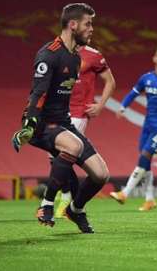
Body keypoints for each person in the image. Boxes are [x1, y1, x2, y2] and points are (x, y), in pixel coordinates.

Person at [11, 3, 110, 233]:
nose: (92, 29)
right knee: (73, 145)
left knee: (101, 174)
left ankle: (75, 210)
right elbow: (38, 92)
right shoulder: (49, 54)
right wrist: (30, 122)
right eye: (88, 23)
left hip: (63, 123)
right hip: (42, 124)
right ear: (72, 25)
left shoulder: (75, 58)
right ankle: (46, 204)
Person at [110, 47, 157, 211]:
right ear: (153, 58)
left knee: (145, 155)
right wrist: (123, 107)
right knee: (146, 160)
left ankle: (125, 193)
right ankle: (149, 199)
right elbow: (133, 93)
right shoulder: (146, 78)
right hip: (148, 124)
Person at [54, 42, 115, 218]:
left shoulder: (94, 55)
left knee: (64, 154)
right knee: (54, 156)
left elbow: (110, 81)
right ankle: (70, 200)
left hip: (78, 113)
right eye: (87, 25)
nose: (90, 30)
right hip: (57, 111)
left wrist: (101, 105)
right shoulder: (57, 52)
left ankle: (67, 198)